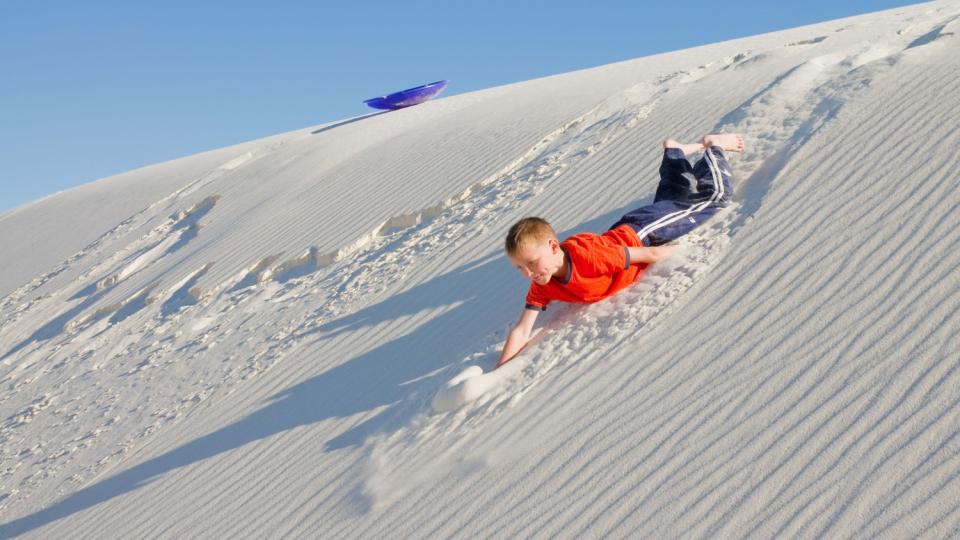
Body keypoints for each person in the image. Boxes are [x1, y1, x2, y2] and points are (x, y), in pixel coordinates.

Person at [496, 133, 744, 368]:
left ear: (552, 246)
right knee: (674, 195)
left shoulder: (588, 257)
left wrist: (684, 249)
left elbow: (651, 255)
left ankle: (714, 147)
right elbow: (522, 330)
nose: (528, 273)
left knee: (714, 199)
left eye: (531, 263)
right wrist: (499, 371)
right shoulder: (543, 283)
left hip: (645, 234)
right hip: (629, 230)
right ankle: (674, 152)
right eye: (520, 268)